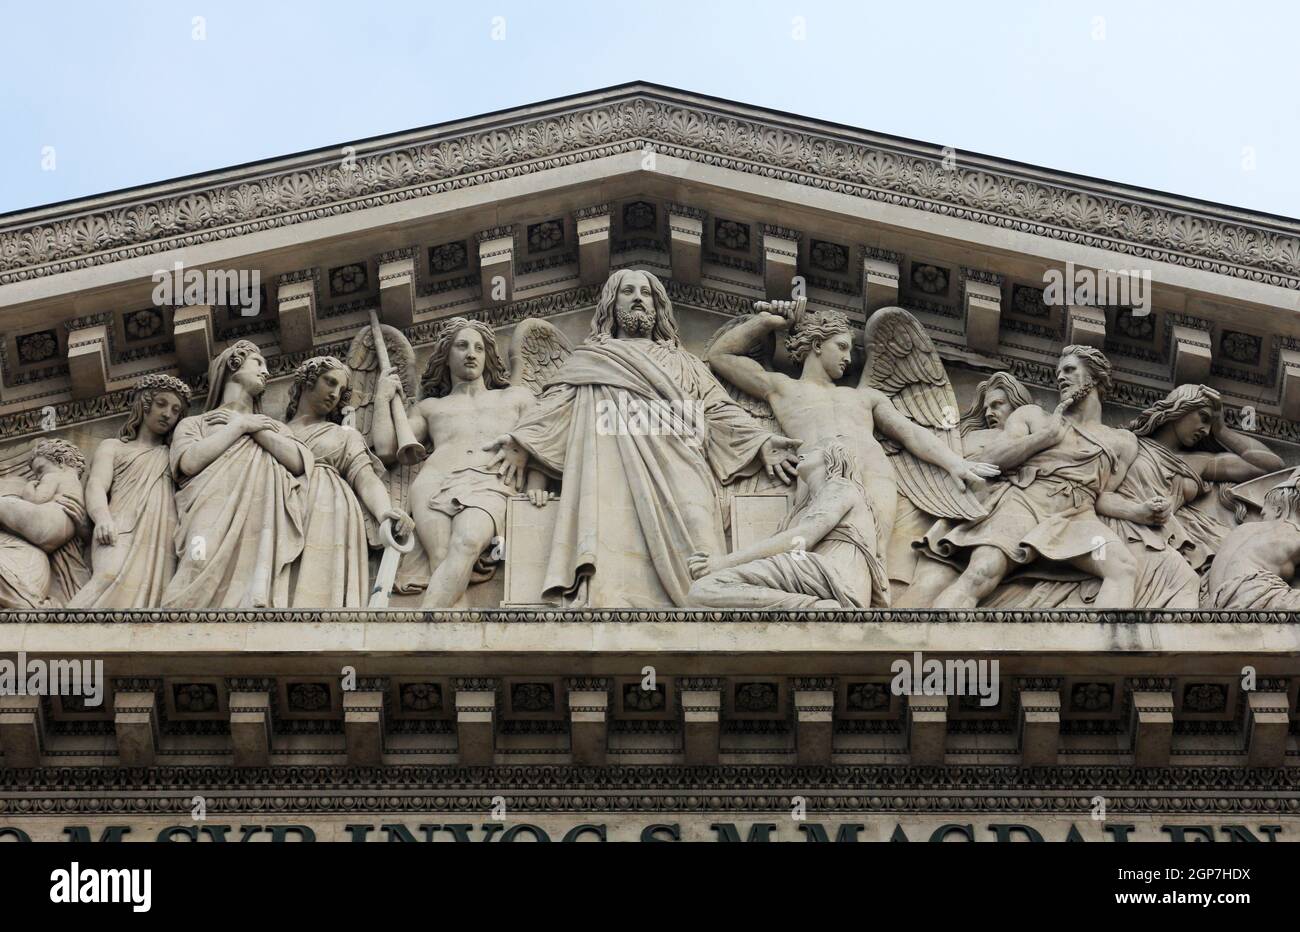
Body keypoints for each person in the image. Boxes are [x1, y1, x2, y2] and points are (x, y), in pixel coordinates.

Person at [484, 269, 801, 608]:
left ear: (657, 305)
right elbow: (554, 408)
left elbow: (718, 409)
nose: (638, 297)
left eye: (646, 293)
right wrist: (522, 444)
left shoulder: (684, 362)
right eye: (628, 291)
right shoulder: (590, 359)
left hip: (684, 470)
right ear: (611, 303)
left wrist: (762, 442)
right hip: (610, 470)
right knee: (611, 552)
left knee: (702, 555)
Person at [924, 346, 1141, 609]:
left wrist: (1140, 512)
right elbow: (991, 459)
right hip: (1026, 503)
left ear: (1095, 377)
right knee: (981, 573)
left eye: (1070, 370)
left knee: (1123, 568)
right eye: (1058, 372)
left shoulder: (1124, 442)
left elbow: (1103, 497)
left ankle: (1098, 648)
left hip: (1077, 516)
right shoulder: (1033, 416)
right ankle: (929, 645)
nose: (1061, 377)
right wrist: (1045, 437)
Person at [373, 319, 547, 609]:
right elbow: (386, 448)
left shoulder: (516, 397)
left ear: (488, 356)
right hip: (433, 483)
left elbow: (542, 439)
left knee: (466, 543)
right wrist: (381, 398)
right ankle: (452, 639)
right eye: (462, 346)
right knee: (442, 559)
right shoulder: (430, 407)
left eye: (479, 348)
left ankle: (422, 631)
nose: (471, 353)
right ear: (446, 354)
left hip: (491, 481)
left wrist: (537, 483)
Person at [162, 340, 311, 610]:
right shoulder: (195, 423)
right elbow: (189, 463)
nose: (266, 372)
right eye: (258, 363)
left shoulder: (271, 426)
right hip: (208, 508)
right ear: (234, 364)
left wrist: (256, 429)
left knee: (257, 565)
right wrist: (239, 425)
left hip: (261, 511)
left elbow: (298, 462)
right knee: (198, 560)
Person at [687, 438, 886, 609]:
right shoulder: (803, 509)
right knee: (703, 591)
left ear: (832, 457)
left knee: (704, 589)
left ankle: (816, 606)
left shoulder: (840, 486)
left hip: (837, 578)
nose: (802, 454)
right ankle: (816, 606)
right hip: (819, 576)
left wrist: (724, 562)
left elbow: (802, 539)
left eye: (815, 450)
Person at [285, 356, 413, 608]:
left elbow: (365, 477)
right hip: (279, 517)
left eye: (341, 390)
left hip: (328, 515)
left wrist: (385, 512)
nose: (334, 393)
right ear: (306, 381)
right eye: (329, 382)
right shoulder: (272, 431)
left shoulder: (342, 435)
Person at [71, 374, 191, 608]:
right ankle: (57, 636)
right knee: (107, 577)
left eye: (176, 410)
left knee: (156, 601)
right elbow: (96, 484)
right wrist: (103, 518)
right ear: (143, 404)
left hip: (163, 535)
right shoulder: (114, 447)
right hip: (119, 527)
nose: (168, 414)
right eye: (161, 404)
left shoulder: (174, 455)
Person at [1203, 473, 1300, 609]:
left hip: (1217, 600)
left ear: (1278, 510)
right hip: (1255, 593)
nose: (1263, 520)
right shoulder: (1295, 532)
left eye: (1263, 515)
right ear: (1278, 510)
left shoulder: (1242, 529)